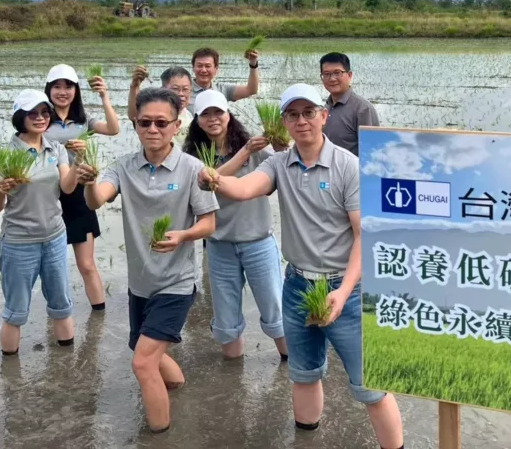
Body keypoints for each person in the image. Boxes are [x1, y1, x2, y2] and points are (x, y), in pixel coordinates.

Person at [201, 84, 404, 449]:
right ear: (285, 123)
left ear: (324, 116)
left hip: (347, 290)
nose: (302, 121)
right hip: (297, 286)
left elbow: (364, 236)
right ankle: (306, 438)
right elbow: (244, 189)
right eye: (293, 115)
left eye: (309, 112)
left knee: (370, 386)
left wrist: (342, 293)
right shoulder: (280, 164)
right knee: (304, 373)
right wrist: (213, 178)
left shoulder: (347, 166)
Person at [85, 87, 217, 433]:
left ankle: (158, 436)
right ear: (135, 124)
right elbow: (97, 199)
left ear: (177, 126)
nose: (153, 129)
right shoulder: (123, 167)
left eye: (162, 122)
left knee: (142, 363)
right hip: (140, 282)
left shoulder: (192, 169)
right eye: (145, 122)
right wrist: (86, 181)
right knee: (142, 349)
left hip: (176, 283)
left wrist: (184, 235)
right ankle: (176, 385)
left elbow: (209, 222)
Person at [182, 90, 288, 361]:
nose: (213, 118)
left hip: (258, 242)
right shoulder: (193, 157)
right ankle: (231, 382)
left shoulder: (255, 152)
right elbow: (208, 181)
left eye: (218, 112)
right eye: (205, 114)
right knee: (226, 317)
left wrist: (280, 148)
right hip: (220, 246)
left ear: (229, 115)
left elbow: (285, 173)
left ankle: (293, 367)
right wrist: (245, 151)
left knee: (274, 309)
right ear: (197, 120)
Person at [0, 89, 91, 354]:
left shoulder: (54, 148)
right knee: (16, 310)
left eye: (44, 112)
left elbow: (67, 188)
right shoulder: (6, 154)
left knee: (61, 303)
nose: (40, 118)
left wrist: (79, 161)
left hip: (55, 237)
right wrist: (0, 188)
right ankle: (11, 380)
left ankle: (66, 370)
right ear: (20, 116)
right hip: (19, 242)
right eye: (32, 113)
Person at [43, 64, 119, 312]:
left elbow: (113, 128)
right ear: (48, 90)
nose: (62, 92)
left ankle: (99, 318)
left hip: (78, 198)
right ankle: (57, 314)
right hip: (47, 196)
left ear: (76, 90)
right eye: (57, 86)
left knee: (86, 264)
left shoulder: (83, 122)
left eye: (68, 86)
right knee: (51, 266)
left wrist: (104, 96)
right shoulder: (39, 119)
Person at [320, 52, 378, 157]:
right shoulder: (325, 107)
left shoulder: (363, 109)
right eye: (327, 74)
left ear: (349, 75)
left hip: (351, 172)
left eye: (337, 73)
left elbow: (371, 151)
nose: (332, 79)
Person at [127, 65, 193, 144]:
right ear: (163, 89)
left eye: (185, 89)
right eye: (175, 89)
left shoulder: (189, 115)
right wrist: (134, 87)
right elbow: (134, 115)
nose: (181, 94)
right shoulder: (154, 113)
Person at [190, 46, 260, 102]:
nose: (203, 70)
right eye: (199, 66)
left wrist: (253, 64)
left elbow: (251, 90)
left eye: (208, 66)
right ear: (193, 68)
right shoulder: (184, 90)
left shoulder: (223, 90)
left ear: (216, 69)